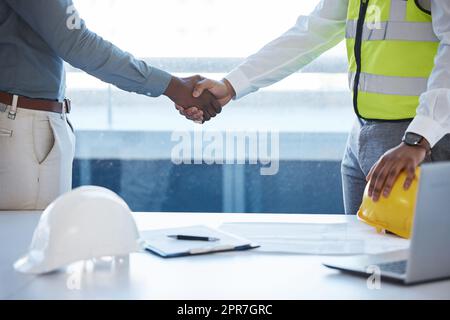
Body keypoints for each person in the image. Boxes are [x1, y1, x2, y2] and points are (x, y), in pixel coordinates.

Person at [178, 0, 450, 215]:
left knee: (411, 267)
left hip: (412, 144)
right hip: (362, 137)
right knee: (365, 263)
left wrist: (418, 139)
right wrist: (232, 84)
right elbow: (312, 32)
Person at [0, 0, 221, 210]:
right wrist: (174, 87)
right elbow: (78, 44)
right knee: (28, 237)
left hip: (24, 121)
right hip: (21, 126)